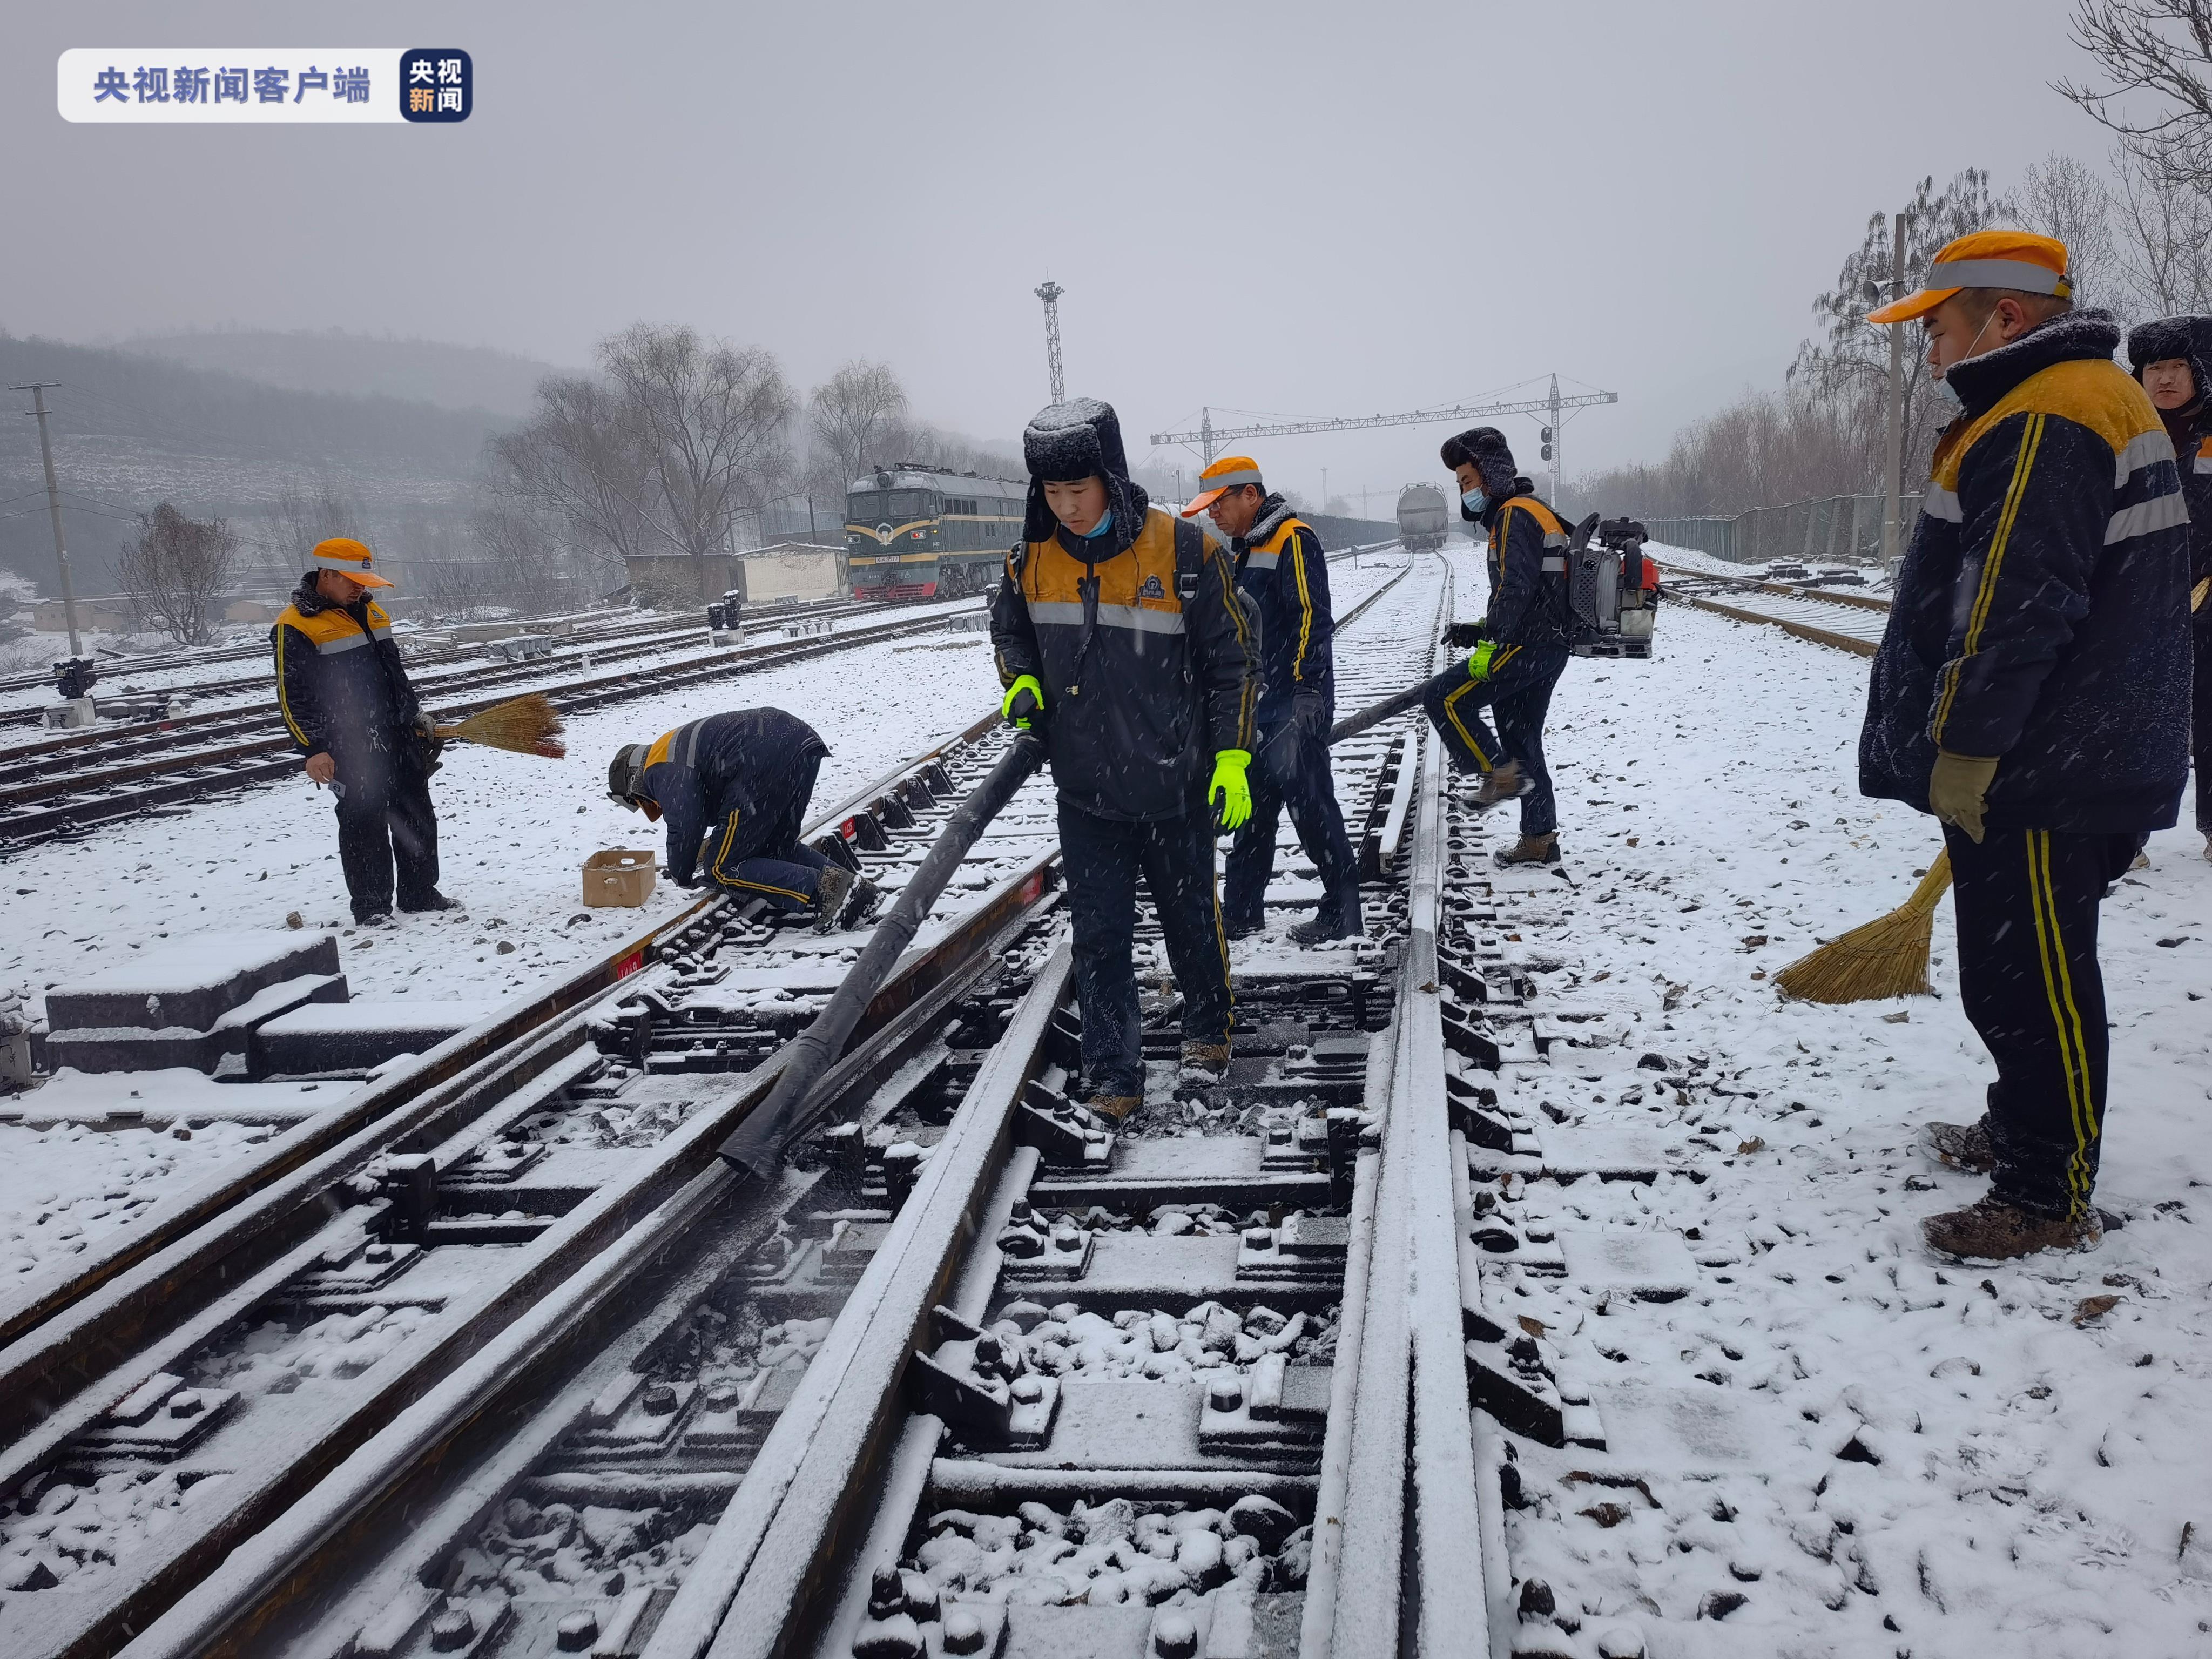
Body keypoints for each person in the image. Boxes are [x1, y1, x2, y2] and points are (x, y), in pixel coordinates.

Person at [1859, 231, 2193, 1260]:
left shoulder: (2047, 412)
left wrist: (1966, 746)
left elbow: (2012, 602)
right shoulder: (2068, 397)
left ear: (2005, 318)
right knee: (2019, 969)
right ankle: (2024, 1128)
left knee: (2034, 977)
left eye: (1941, 329)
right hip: (2069, 743)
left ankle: (2046, 1191)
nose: (1932, 354)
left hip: (2050, 756)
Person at [989, 399, 1256, 1120]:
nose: (1068, 507)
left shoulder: (1184, 552)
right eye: (1053, 493)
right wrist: (1018, 678)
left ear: (1111, 476)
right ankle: (1113, 1074)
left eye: (1080, 490)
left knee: (1191, 920)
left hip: (1176, 783)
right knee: (1099, 937)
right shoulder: (1030, 559)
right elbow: (1011, 632)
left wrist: (1231, 758)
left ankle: (1207, 1028)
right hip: (1085, 793)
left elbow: (1233, 660)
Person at [1183, 455, 1363, 943]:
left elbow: (1311, 619)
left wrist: (1307, 691)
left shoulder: (1293, 539)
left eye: (1219, 504)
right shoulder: (1246, 547)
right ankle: (1241, 911)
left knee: (1314, 811)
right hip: (1260, 706)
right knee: (1253, 811)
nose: (1212, 515)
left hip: (1294, 703)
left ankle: (1343, 912)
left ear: (1251, 495)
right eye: (1209, 507)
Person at [273, 537, 456, 925]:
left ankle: (419, 893)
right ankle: (372, 906)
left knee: (416, 816)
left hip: (399, 735)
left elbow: (395, 677)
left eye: (365, 581)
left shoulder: (372, 614)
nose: (361, 588)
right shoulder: (296, 626)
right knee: (363, 823)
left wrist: (414, 714)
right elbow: (293, 696)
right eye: (354, 581)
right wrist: (313, 748)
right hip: (349, 744)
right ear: (326, 575)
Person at [1417, 427, 1577, 866]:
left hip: (1526, 644)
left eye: (1468, 481)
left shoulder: (1511, 516)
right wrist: (1478, 628)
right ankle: (1540, 840)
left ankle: (1499, 776)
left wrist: (1492, 642)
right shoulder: (1534, 511)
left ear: (1491, 475)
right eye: (1460, 485)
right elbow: (1535, 591)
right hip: (1548, 646)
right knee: (1522, 739)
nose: (1464, 492)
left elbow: (1516, 589)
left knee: (1443, 698)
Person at [605, 708, 879, 933]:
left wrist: (681, 873)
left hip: (761, 757)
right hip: (798, 744)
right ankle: (855, 890)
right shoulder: (671, 748)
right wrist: (709, 844)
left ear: (634, 782)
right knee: (776, 848)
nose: (649, 808)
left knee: (723, 867)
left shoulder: (659, 763)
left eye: (638, 802)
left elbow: (686, 822)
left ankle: (829, 891)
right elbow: (706, 805)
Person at [2126, 314, 2212, 862]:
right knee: (2134, 716)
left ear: (2198, 371)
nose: (2163, 378)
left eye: (2175, 366)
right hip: (2135, 601)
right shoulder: (2123, 430)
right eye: (2153, 367)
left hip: (2208, 594)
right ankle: (2125, 830)